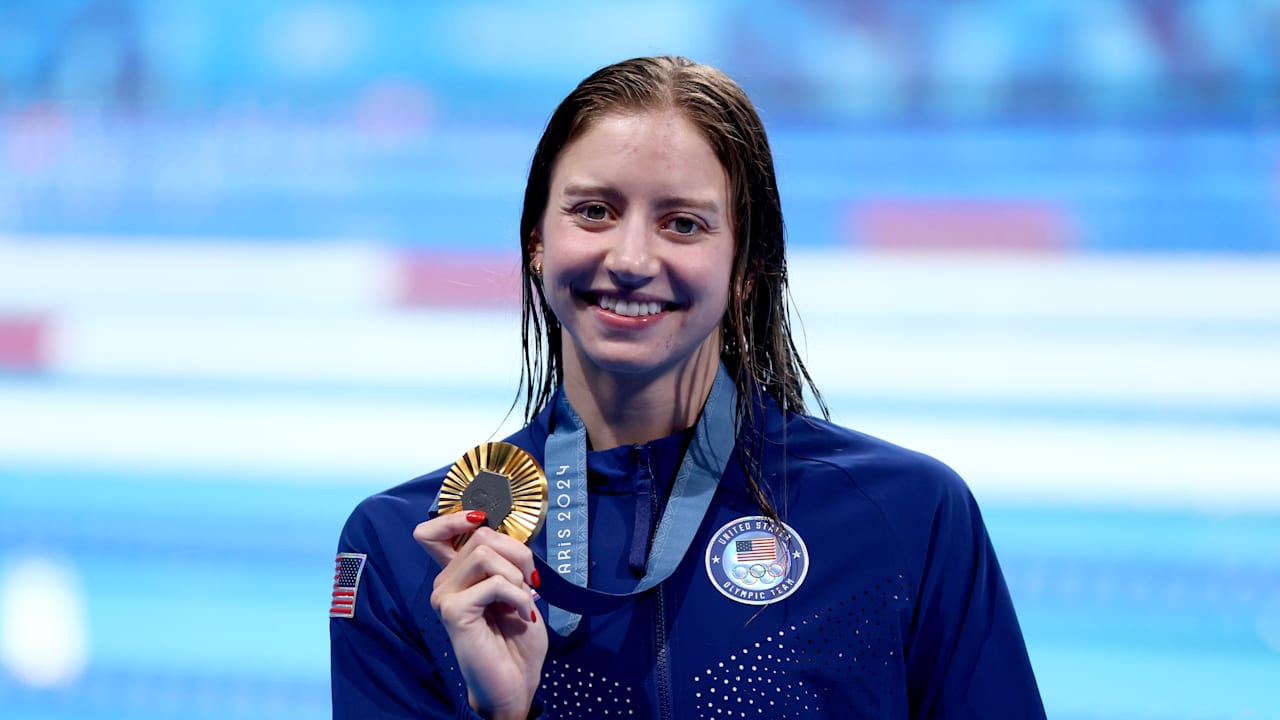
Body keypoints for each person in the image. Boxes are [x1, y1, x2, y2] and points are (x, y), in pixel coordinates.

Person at [330, 55, 1045, 719]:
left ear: (745, 269)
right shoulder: (412, 548)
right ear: (536, 243)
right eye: (593, 211)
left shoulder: (903, 516)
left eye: (683, 223)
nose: (632, 258)